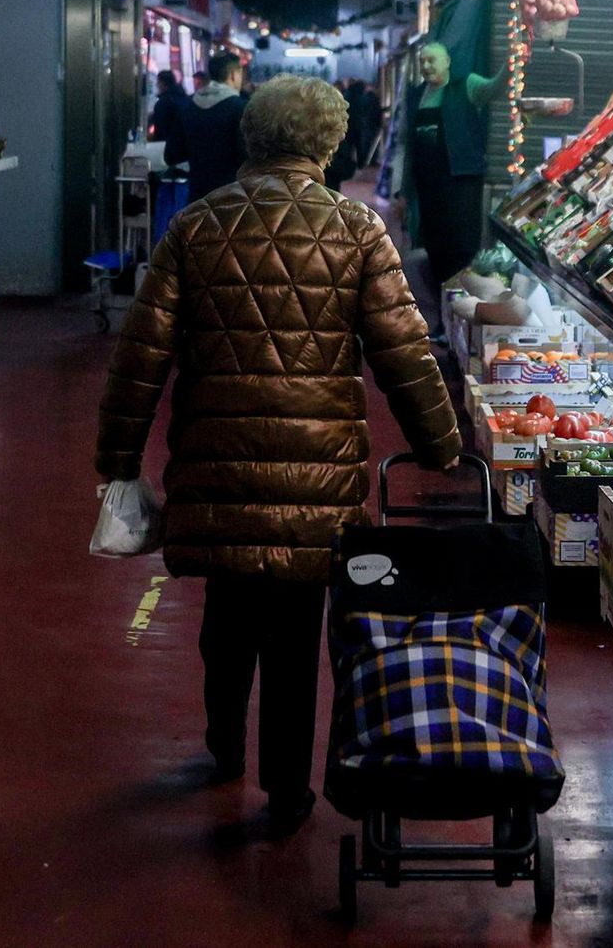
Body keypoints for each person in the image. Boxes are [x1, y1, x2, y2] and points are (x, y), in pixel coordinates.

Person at [94, 74, 462, 833]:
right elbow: (403, 350)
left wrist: (119, 459)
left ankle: (224, 744)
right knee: (297, 638)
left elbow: (141, 356)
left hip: (218, 461)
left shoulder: (196, 227)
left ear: (249, 138)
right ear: (329, 144)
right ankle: (287, 789)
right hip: (316, 476)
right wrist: (440, 443)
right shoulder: (357, 230)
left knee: (225, 616)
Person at [399, 42, 510, 291]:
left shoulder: (466, 86)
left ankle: (460, 303)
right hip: (429, 187)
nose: (426, 66)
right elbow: (408, 148)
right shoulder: (416, 96)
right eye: (423, 62)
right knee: (434, 248)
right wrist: (404, 193)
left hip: (462, 185)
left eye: (432, 60)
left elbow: (494, 88)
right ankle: (442, 310)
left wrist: (511, 62)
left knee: (461, 248)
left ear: (447, 61)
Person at [166, 52, 249, 201]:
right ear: (233, 75)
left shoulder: (187, 106)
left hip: (197, 196)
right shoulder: (240, 108)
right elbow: (245, 155)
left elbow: (171, 155)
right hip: (232, 197)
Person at [147, 70, 186, 146]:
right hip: (185, 145)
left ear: (163, 83)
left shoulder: (162, 104)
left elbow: (160, 131)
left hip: (169, 146)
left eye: (158, 82)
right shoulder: (184, 98)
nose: (157, 85)